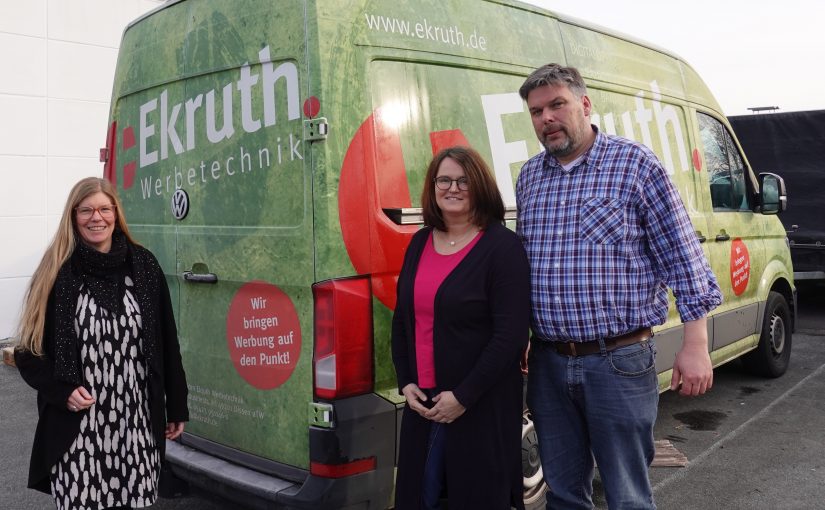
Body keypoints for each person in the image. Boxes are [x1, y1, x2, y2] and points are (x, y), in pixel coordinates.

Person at [515, 64, 723, 509]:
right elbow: (525, 267)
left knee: (627, 494)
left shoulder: (635, 165)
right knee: (564, 494)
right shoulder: (530, 178)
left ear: (585, 105)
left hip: (618, 361)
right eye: (536, 111)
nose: (546, 118)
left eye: (557, 105)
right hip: (549, 364)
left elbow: (683, 256)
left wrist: (696, 342)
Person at [14, 177, 188, 510]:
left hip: (135, 423)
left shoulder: (144, 266)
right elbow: (27, 352)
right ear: (73, 216)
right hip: (79, 428)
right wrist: (60, 390)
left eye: (104, 208)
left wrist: (176, 404)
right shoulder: (55, 272)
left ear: (116, 213)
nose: (97, 217)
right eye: (86, 210)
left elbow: (168, 341)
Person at [391, 146, 530, 509]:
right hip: (423, 404)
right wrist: (406, 381)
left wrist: (464, 397)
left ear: (480, 185)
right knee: (421, 497)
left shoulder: (503, 247)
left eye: (463, 180)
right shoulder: (420, 242)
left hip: (479, 406)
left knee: (475, 497)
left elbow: (511, 335)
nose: (453, 188)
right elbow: (403, 319)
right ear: (433, 187)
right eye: (444, 180)